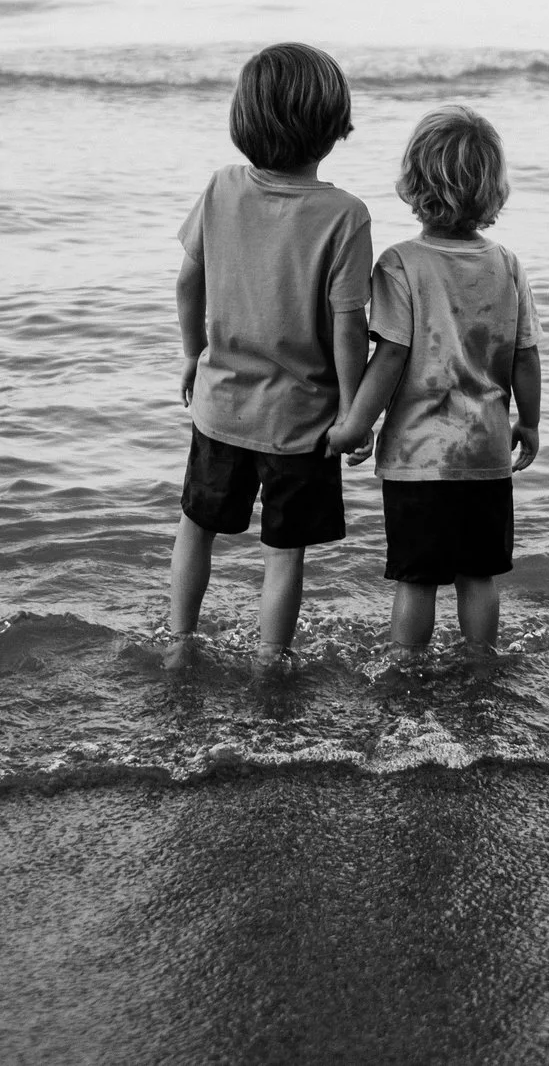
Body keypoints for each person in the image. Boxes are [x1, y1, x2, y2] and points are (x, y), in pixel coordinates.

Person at [170, 42, 372, 661]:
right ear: (334, 126)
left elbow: (187, 280)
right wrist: (352, 410)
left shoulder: (221, 189)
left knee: (196, 528)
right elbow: (347, 325)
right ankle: (270, 660)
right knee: (284, 553)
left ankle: (178, 640)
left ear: (244, 119)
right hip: (300, 423)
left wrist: (192, 352)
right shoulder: (344, 216)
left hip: (221, 407)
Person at [325, 105, 540, 651]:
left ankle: (405, 665)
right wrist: (530, 423)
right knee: (478, 575)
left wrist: (355, 423)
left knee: (416, 578)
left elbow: (391, 356)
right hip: (486, 458)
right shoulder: (508, 264)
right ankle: (481, 661)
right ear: (492, 189)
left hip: (417, 459)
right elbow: (524, 356)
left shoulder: (399, 264)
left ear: (414, 183)